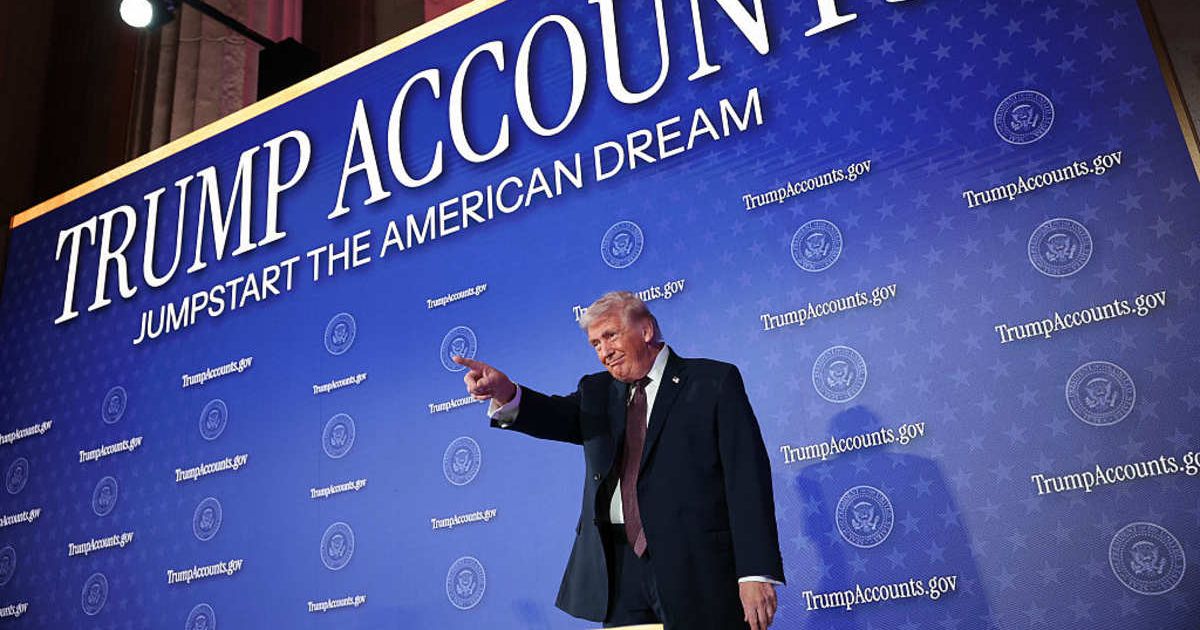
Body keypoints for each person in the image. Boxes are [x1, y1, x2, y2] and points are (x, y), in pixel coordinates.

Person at [453, 291, 784, 629]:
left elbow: (746, 480)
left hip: (697, 566)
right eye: (595, 344)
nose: (604, 352)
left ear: (646, 330)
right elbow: (553, 416)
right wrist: (506, 392)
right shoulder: (596, 392)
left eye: (610, 336)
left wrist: (755, 572)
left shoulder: (712, 382)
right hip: (620, 569)